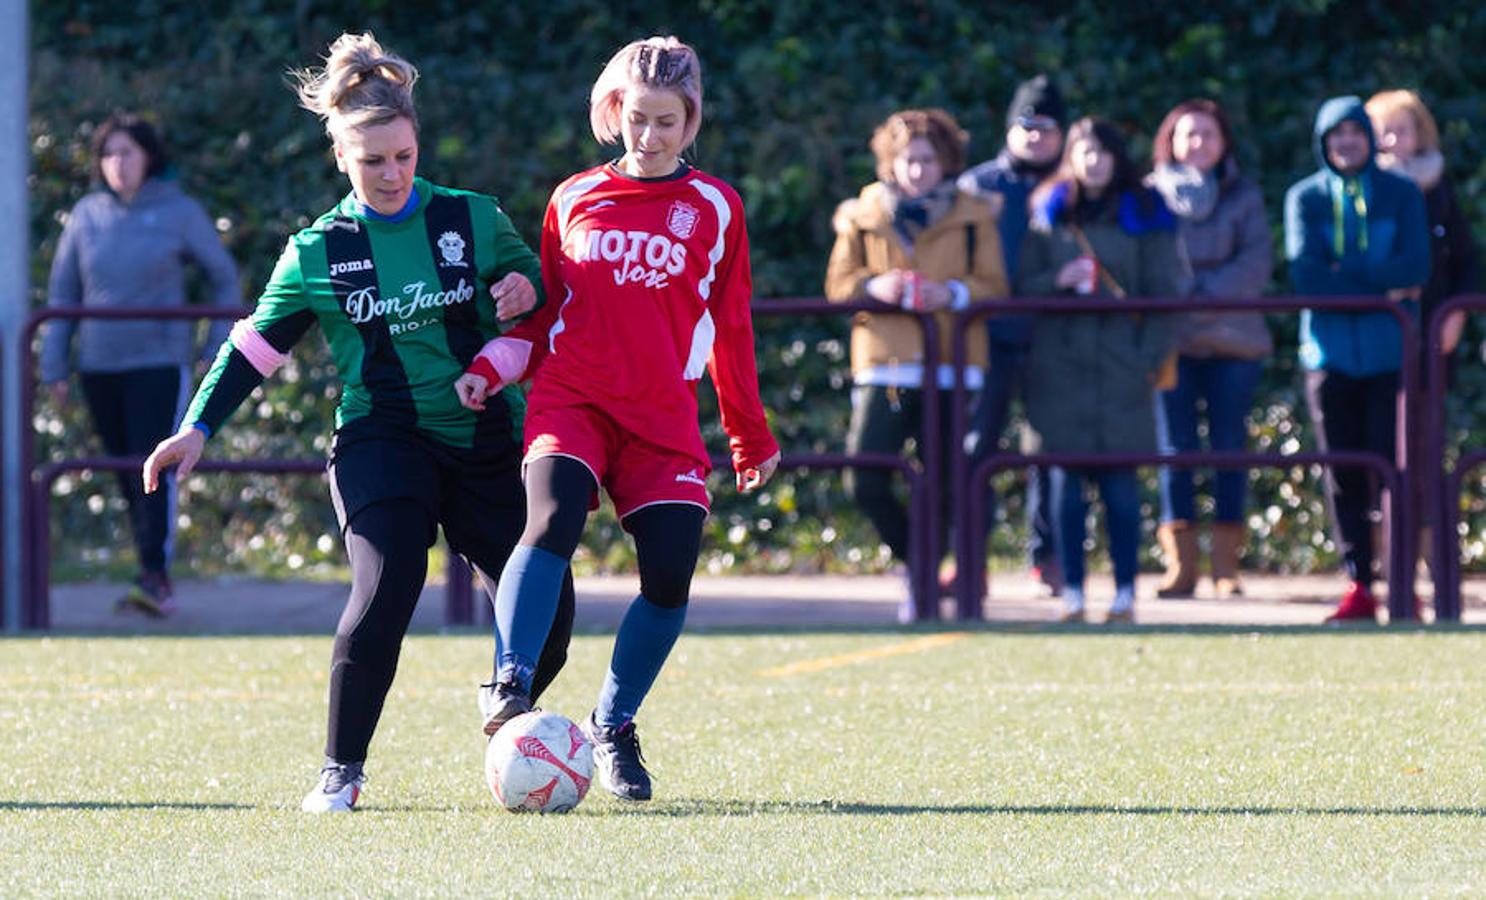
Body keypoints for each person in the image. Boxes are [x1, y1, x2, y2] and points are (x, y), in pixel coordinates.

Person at [141, 32, 575, 812]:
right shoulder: (318, 250)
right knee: (389, 582)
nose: (391, 173)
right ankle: (340, 772)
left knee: (553, 613)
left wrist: (519, 286)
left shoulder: (471, 218)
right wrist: (197, 426)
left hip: (485, 437)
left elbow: (536, 284)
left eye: (403, 155)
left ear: (417, 145)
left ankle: (505, 702)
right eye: (372, 160)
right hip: (382, 437)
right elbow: (254, 348)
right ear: (340, 155)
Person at [455, 36, 780, 802]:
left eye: (667, 121)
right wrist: (490, 365)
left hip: (662, 414)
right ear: (615, 112)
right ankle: (510, 679)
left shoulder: (716, 208)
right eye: (637, 118)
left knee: (670, 574)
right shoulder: (573, 198)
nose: (650, 135)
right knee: (553, 518)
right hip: (571, 398)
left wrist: (748, 432)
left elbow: (731, 326)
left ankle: (614, 724)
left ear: (691, 119)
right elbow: (545, 317)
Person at [41, 113, 241, 616]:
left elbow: (223, 278)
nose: (117, 164)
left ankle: (156, 575)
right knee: (126, 474)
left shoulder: (179, 211)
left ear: (148, 157)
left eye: (126, 152)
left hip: (158, 362)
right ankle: (147, 571)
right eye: (109, 154)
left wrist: (216, 344)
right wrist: (53, 366)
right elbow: (63, 292)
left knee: (155, 467)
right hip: (99, 366)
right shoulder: (87, 215)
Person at [825, 108, 1008, 620]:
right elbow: (838, 286)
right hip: (884, 364)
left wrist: (946, 292)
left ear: (945, 161)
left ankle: (934, 579)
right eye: (908, 160)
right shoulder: (861, 215)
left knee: (951, 480)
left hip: (953, 363)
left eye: (928, 160)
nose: (918, 170)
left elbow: (994, 285)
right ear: (890, 161)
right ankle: (919, 567)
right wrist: (872, 288)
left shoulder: (975, 214)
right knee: (864, 476)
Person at [1018, 117, 1188, 624]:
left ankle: (1124, 594)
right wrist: (1057, 278)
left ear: (1118, 157)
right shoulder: (1047, 214)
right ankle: (1071, 592)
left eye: (1102, 152)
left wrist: (1143, 361)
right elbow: (1021, 285)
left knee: (1121, 487)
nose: (1093, 162)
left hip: (1122, 368)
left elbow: (1164, 298)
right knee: (1063, 487)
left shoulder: (1147, 214)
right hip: (1059, 369)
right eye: (1083, 152)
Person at [1285, 95, 1430, 622]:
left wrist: (1346, 274)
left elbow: (1417, 264)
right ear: (1324, 143)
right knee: (1343, 473)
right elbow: (1307, 277)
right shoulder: (1304, 198)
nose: (1346, 142)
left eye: (1355, 131)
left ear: (1368, 137)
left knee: (1397, 472)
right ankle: (1359, 585)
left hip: (1393, 356)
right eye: (1335, 134)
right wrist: (1381, 283)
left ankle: (1402, 584)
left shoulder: (1403, 193)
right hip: (1329, 355)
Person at [1147, 99, 1275, 599]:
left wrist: (1195, 293)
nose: (1198, 142)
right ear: (1171, 141)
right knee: (1174, 452)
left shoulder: (1244, 195)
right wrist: (1187, 292)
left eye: (1208, 134)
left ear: (1223, 142)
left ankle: (1226, 567)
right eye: (1189, 134)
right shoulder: (1147, 196)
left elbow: (1256, 263)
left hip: (1234, 343)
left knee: (1228, 449)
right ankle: (1181, 566)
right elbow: (1146, 262)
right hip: (1170, 344)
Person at [958, 74, 1067, 595]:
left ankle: (1048, 560)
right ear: (1009, 128)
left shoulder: (1077, 186)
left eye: (1048, 126)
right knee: (975, 449)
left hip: (1054, 336)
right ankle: (970, 562)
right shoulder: (976, 187)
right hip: (985, 335)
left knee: (1050, 453)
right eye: (1027, 124)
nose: (1037, 135)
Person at [1366, 89, 1481, 580]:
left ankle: (1438, 575)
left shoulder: (1439, 189)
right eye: (1383, 130)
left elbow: (1469, 261)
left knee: (1427, 456)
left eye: (1402, 128)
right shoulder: (1361, 190)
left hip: (1431, 346)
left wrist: (1456, 316)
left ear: (1421, 134)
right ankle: (1391, 573)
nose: (1393, 139)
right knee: (1380, 459)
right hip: (1374, 347)